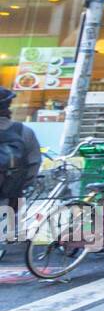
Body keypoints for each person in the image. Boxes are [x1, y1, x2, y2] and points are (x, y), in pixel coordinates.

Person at [0, 88, 41, 221]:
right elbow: (33, 166)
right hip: (10, 200)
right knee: (7, 237)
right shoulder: (24, 131)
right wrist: (16, 186)